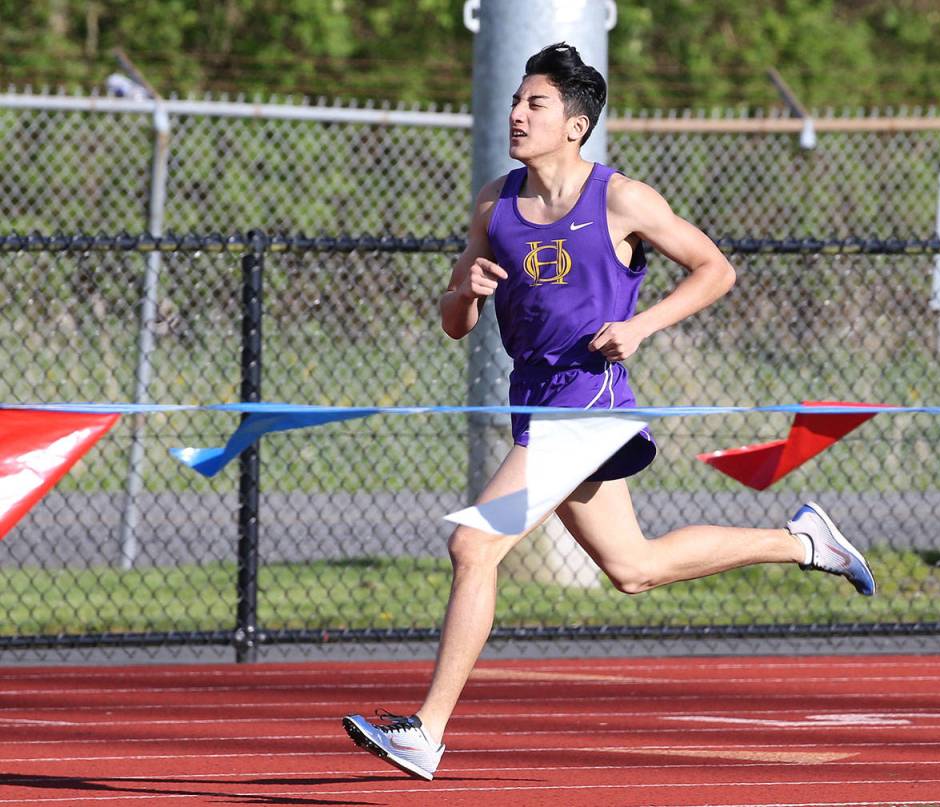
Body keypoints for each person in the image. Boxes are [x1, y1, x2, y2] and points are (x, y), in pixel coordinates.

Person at [343, 42, 875, 781]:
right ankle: (802, 541)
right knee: (633, 567)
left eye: (535, 103)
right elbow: (455, 324)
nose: (516, 113)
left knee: (474, 546)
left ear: (576, 125)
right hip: (536, 403)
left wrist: (641, 326)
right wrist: (463, 290)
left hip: (588, 403)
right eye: (516, 100)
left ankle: (425, 731)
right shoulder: (494, 204)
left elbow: (716, 269)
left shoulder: (621, 199)